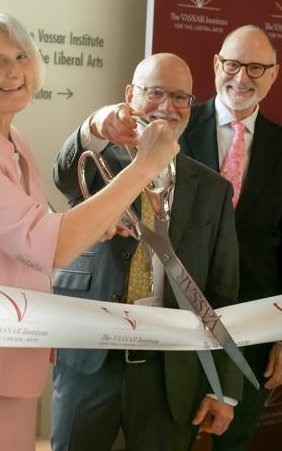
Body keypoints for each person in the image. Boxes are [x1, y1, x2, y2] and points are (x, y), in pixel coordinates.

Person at [0, 7, 179, 451]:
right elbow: (47, 244)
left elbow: (25, 241)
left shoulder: (12, 142)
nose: (14, 70)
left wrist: (95, 226)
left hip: (11, 359)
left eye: (20, 56)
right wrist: (144, 166)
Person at [51, 53, 242, 451]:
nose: (166, 107)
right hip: (89, 364)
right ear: (129, 95)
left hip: (169, 376)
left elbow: (223, 292)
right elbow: (63, 175)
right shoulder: (95, 162)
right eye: (155, 92)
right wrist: (91, 128)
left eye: (180, 97)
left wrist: (224, 387)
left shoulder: (212, 190)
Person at [179, 24, 282, 451]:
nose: (242, 78)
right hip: (177, 325)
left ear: (274, 75)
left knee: (235, 445)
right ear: (215, 65)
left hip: (254, 334)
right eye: (233, 64)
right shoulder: (176, 129)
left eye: (256, 67)